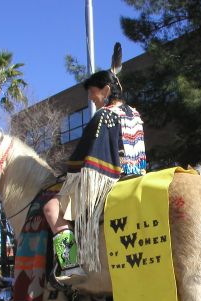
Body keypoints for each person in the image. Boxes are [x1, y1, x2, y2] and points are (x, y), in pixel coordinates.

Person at [43, 51, 146, 282]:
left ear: (106, 90)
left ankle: (70, 266)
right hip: (137, 176)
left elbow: (89, 159)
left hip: (110, 181)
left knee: (51, 208)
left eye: (93, 92)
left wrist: (69, 174)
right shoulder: (135, 114)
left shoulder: (105, 116)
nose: (91, 97)